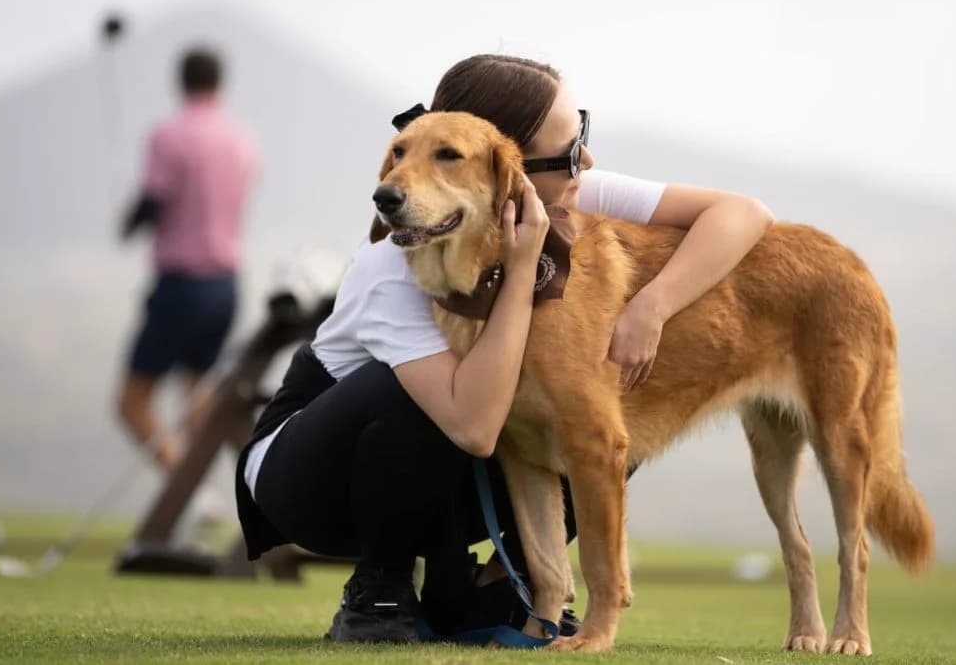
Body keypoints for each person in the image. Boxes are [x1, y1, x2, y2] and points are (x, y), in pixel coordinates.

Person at [234, 54, 774, 643]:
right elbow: (474, 427)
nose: (585, 161)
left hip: (440, 468)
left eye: (582, 136)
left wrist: (652, 308)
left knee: (602, 410)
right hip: (311, 482)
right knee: (413, 394)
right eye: (570, 148)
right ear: (500, 163)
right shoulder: (392, 270)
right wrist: (521, 274)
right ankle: (378, 589)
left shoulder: (560, 185)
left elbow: (743, 214)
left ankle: (490, 588)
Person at [117, 47, 259, 473]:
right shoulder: (241, 139)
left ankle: (186, 493)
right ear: (220, 82)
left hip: (182, 285)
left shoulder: (170, 135)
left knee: (131, 402)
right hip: (225, 286)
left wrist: (128, 222)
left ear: (180, 81)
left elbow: (152, 202)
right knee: (198, 399)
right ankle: (209, 498)